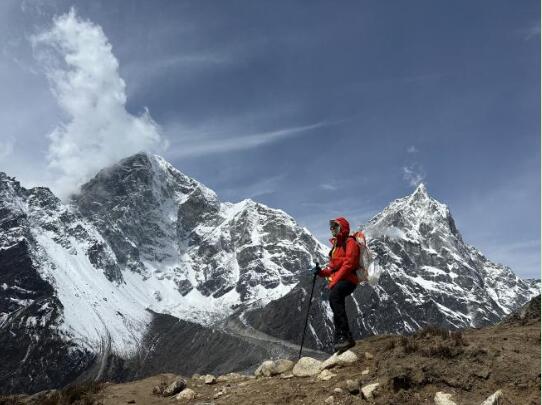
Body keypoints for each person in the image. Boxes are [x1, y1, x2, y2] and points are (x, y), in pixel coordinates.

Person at [314, 217, 360, 353]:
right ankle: (340, 337)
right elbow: (331, 268)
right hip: (340, 280)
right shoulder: (335, 246)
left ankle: (346, 336)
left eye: (334, 226)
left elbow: (349, 264)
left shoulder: (350, 242)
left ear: (342, 227)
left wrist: (334, 281)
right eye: (331, 227)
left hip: (349, 280)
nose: (331, 229)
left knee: (335, 296)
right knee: (335, 303)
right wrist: (320, 272)